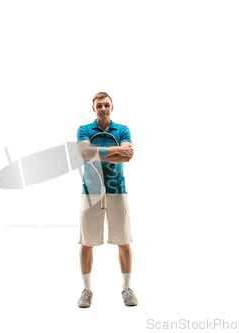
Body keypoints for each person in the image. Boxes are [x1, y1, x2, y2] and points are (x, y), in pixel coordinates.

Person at [76, 92, 137, 308]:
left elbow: (127, 155)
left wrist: (97, 153)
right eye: (99, 105)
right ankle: (86, 290)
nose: (103, 108)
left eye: (106, 105)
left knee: (124, 241)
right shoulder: (84, 129)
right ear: (93, 108)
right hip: (90, 190)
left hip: (117, 190)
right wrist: (115, 150)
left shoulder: (122, 129)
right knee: (86, 243)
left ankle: (127, 288)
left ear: (112, 107)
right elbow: (84, 153)